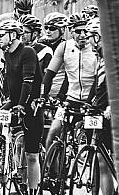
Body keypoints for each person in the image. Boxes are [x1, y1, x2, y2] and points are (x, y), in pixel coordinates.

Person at [0, 20, 44, 195]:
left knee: (31, 154)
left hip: (31, 104)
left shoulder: (27, 52)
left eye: (1, 34)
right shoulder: (7, 54)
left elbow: (28, 81)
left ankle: (33, 193)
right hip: (16, 101)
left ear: (12, 35)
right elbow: (8, 81)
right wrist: (2, 101)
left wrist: (21, 105)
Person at [41, 13, 97, 151]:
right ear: (71, 31)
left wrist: (90, 102)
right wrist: (42, 96)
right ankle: (52, 171)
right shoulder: (64, 47)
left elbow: (98, 80)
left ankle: (93, 168)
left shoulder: (95, 49)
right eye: (78, 31)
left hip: (92, 100)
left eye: (86, 31)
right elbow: (49, 74)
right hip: (71, 99)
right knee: (53, 131)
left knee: (93, 142)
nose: (83, 35)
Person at [84, 18, 119, 195]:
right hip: (102, 114)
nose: (89, 41)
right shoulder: (101, 57)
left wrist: (112, 106)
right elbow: (97, 88)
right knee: (102, 159)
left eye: (91, 37)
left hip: (117, 114)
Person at [39, 12, 69, 100]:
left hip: (57, 93)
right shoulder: (40, 44)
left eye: (52, 28)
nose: (48, 31)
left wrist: (60, 96)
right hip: (41, 93)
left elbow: (69, 76)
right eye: (46, 27)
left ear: (62, 30)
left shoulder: (66, 47)